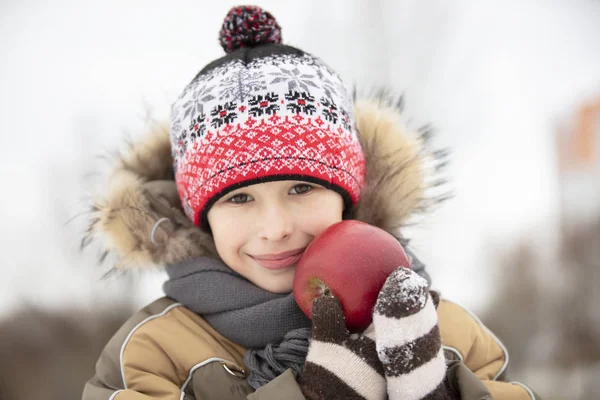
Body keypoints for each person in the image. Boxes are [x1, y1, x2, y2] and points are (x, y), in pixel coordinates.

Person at [82, 5, 538, 400]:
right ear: (201, 216)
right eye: (239, 198)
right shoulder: (154, 355)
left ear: (347, 195)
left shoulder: (445, 333)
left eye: (301, 189)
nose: (276, 226)